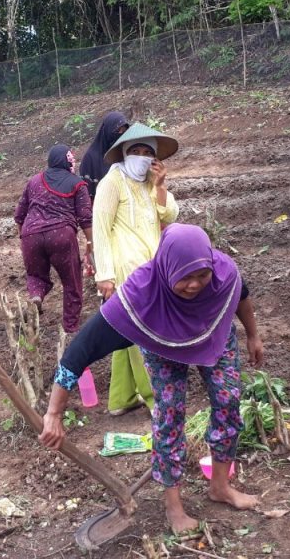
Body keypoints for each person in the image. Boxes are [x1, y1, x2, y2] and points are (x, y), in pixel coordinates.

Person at [39, 224, 264, 534]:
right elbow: (79, 352)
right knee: (170, 413)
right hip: (162, 342)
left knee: (228, 402)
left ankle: (220, 487)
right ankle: (174, 507)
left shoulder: (224, 272)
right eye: (185, 277)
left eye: (202, 275)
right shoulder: (140, 294)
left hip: (214, 333)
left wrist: (253, 335)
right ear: (167, 269)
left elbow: (242, 295)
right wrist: (53, 413)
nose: (195, 284)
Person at [92, 123, 180, 414]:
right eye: (136, 151)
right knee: (142, 333)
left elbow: (170, 213)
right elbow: (101, 230)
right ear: (124, 154)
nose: (142, 157)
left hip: (152, 268)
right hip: (124, 270)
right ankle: (156, 398)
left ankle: (121, 399)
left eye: (148, 153)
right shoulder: (112, 183)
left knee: (125, 332)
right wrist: (103, 275)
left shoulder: (148, 184)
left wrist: (160, 185)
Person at [13, 144, 93, 332]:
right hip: (61, 236)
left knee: (36, 275)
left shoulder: (34, 181)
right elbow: (85, 218)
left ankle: (36, 298)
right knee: (71, 282)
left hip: (30, 234)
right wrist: (90, 244)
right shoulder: (77, 184)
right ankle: (70, 327)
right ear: (67, 160)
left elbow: (19, 214)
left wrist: (23, 237)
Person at [79, 111, 129, 198]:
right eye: (118, 131)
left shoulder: (126, 153)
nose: (120, 135)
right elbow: (86, 192)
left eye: (124, 132)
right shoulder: (91, 157)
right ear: (107, 131)